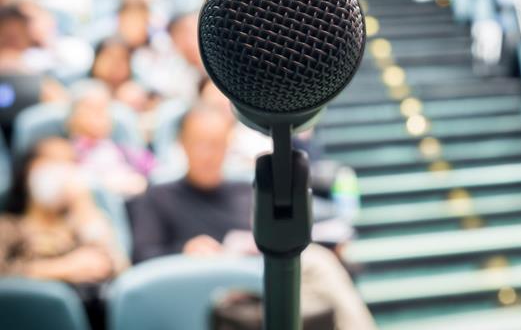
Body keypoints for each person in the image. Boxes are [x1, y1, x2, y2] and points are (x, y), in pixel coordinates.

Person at [129, 106, 377, 330]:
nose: (209, 154)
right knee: (318, 266)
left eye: (217, 144)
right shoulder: (159, 197)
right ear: (182, 144)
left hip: (263, 276)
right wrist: (185, 249)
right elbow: (143, 253)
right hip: (208, 290)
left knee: (319, 272)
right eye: (200, 144)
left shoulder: (243, 189)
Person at [0, 137, 128, 280]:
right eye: (54, 160)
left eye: (71, 163)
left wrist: (84, 207)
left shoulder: (79, 226)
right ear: (29, 170)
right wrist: (63, 268)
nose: (64, 172)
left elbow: (120, 269)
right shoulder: (9, 225)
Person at [67, 82, 153, 197]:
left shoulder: (122, 148)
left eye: (104, 109)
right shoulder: (68, 151)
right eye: (91, 109)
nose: (100, 117)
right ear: (73, 116)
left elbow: (152, 168)